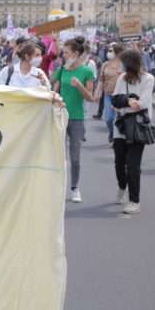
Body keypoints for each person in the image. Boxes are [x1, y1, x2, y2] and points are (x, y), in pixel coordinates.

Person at [111, 49, 154, 214]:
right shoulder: (122, 78)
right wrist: (129, 101)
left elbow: (142, 103)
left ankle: (134, 200)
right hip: (121, 125)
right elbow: (115, 101)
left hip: (138, 126)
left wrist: (126, 102)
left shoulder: (148, 79)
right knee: (119, 163)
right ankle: (122, 186)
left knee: (133, 166)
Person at [54, 37, 95, 203]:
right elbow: (52, 86)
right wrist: (62, 69)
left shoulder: (86, 72)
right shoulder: (62, 69)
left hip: (77, 118)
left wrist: (79, 85)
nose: (63, 55)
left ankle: (74, 188)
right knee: (59, 155)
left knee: (75, 157)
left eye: (66, 53)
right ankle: (59, 187)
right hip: (59, 115)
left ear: (76, 54)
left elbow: (90, 98)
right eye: (63, 52)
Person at [96, 43, 124, 145]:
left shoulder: (124, 65)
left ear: (118, 53)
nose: (109, 53)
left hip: (120, 96)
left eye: (112, 51)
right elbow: (101, 80)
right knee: (108, 118)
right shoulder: (105, 65)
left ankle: (117, 138)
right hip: (108, 95)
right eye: (109, 50)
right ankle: (111, 133)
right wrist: (97, 93)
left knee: (117, 119)